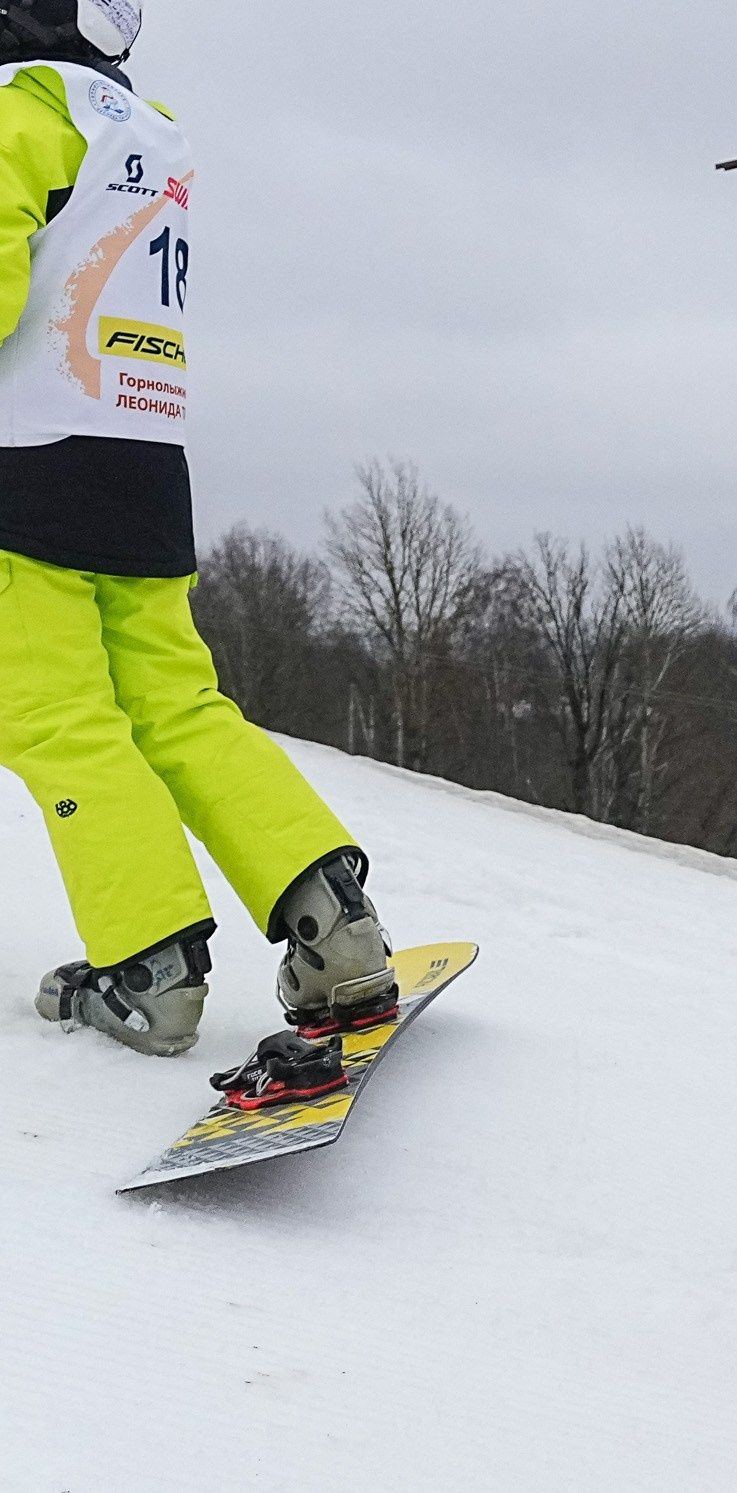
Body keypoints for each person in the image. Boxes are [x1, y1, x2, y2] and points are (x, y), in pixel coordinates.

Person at [0, 1, 395, 1060]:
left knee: (58, 719)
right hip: (141, 461)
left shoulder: (16, 110)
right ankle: (334, 925)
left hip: (25, 467)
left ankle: (151, 968)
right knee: (178, 704)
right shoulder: (145, 128)